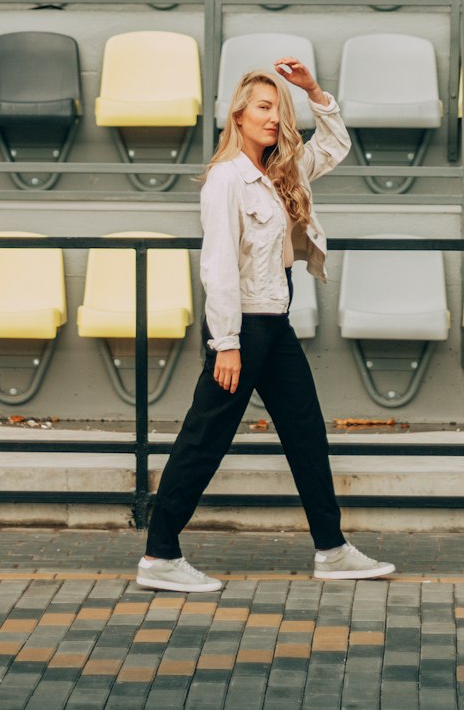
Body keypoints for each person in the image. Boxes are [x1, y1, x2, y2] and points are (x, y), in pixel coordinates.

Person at [137, 58, 395, 593]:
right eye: (263, 107)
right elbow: (218, 267)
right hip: (243, 328)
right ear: (237, 113)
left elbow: (336, 145)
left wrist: (313, 91)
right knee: (204, 439)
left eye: (279, 109)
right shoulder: (226, 180)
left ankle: (332, 549)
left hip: (274, 323)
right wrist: (225, 343)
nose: (273, 117)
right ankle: (160, 555)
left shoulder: (281, 173)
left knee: (306, 435)